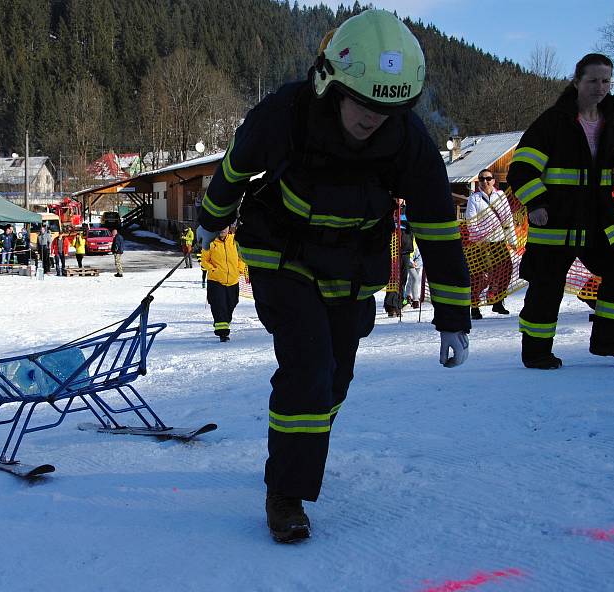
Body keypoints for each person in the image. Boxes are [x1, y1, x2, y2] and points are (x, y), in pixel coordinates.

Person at [195, 10, 470, 543]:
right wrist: (210, 219)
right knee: (309, 365)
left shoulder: (407, 137)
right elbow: (234, 168)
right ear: (332, 83)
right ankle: (287, 494)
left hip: (351, 269)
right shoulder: (284, 114)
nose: (374, 119)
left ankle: (301, 446)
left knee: (334, 379)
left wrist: (453, 317)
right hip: (283, 258)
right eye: (364, 104)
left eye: (389, 109)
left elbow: (438, 227)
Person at [508, 53, 614, 369]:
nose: (600, 88)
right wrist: (536, 204)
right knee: (546, 286)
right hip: (558, 220)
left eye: (606, 81)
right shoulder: (552, 122)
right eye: (593, 80)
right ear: (577, 82)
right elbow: (522, 169)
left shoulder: (611, 121)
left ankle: (608, 338)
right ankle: (537, 352)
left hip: (599, 218)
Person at [465, 169, 517, 319]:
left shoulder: (500, 196)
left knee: (505, 270)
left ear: (494, 181)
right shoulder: (474, 199)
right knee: (478, 276)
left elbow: (507, 220)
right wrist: (480, 239)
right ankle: (474, 307)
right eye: (482, 179)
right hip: (480, 243)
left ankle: (498, 301)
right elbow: (471, 222)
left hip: (499, 241)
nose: (485, 182)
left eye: (488, 178)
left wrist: (512, 241)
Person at [202, 227, 240, 342]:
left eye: (225, 227)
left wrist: (240, 268)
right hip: (216, 281)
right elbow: (204, 260)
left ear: (229, 228)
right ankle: (223, 333)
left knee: (231, 303)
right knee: (219, 305)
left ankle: (223, 322)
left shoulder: (235, 240)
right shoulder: (210, 242)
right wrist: (214, 269)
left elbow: (242, 256)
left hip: (233, 279)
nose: (223, 229)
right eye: (220, 227)